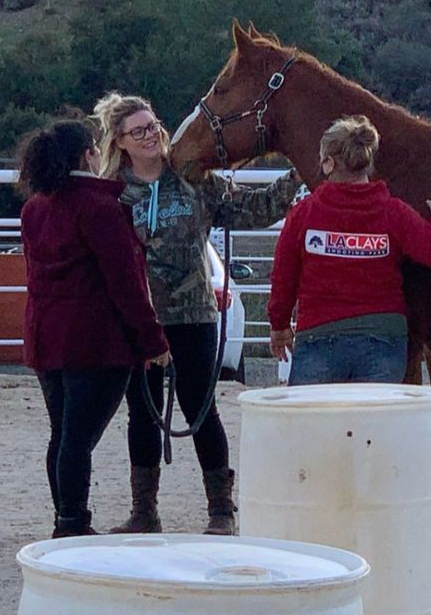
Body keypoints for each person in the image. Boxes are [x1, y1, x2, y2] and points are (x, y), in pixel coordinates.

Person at [93, 92, 302, 535]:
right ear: (120, 141)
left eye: (153, 126)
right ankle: (144, 511)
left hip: (194, 313)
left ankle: (221, 510)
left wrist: (298, 170)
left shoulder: (193, 177)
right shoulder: (113, 193)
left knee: (200, 406)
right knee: (142, 410)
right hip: (138, 315)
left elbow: (254, 209)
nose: (151, 136)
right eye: (139, 131)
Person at [17, 119, 170, 538]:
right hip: (93, 341)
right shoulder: (101, 208)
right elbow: (126, 283)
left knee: (63, 434)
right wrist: (152, 339)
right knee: (77, 439)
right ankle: (72, 523)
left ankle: (67, 519)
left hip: (46, 335)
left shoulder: (35, 208)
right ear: (89, 154)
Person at [268, 115, 431, 385]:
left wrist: (279, 327)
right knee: (374, 424)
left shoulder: (304, 214)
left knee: (312, 424)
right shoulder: (392, 212)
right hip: (383, 340)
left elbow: (283, 276)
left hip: (319, 336)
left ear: (328, 163)